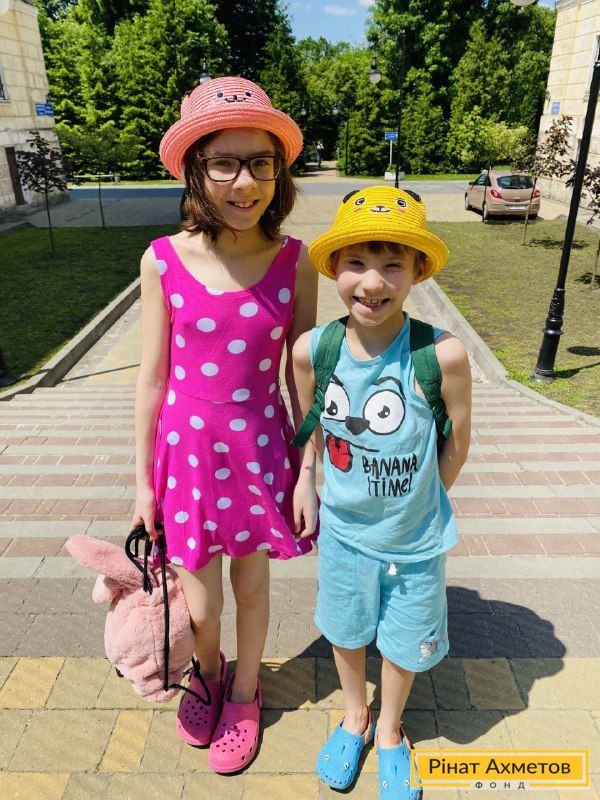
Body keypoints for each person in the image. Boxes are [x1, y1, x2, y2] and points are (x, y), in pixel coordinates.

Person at [131, 76, 318, 774]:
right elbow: (152, 379)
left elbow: (303, 377)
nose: (245, 183)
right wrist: (142, 484)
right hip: (185, 457)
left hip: (260, 449)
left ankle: (245, 691)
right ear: (195, 171)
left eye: (261, 163)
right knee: (201, 600)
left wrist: (309, 468)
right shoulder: (161, 260)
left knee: (251, 586)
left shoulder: (296, 262)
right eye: (224, 164)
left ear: (279, 171)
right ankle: (207, 672)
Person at [292, 185, 472, 799]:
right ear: (334, 268)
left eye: (393, 264)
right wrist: (307, 480)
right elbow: (311, 425)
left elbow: (457, 441)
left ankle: (390, 729)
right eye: (357, 262)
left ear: (417, 270)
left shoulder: (441, 355)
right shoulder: (314, 349)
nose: (372, 282)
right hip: (344, 533)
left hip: (416, 542)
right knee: (346, 630)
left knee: (404, 641)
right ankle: (355, 716)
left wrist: (422, 499)